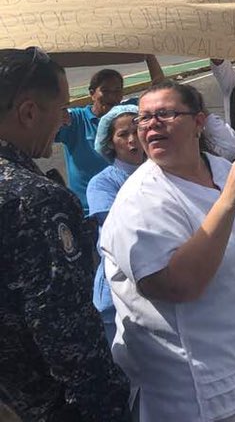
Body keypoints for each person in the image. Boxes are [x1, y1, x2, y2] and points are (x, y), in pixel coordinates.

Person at [101, 80, 235, 422]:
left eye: (166, 114)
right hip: (198, 389)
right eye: (144, 118)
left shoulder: (226, 171)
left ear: (199, 122)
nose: (152, 124)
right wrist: (227, 203)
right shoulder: (140, 201)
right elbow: (178, 285)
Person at [0, 47, 130, 422]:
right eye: (60, 111)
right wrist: (110, 405)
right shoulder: (36, 201)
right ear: (28, 112)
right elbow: (67, 333)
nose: (62, 122)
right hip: (40, 404)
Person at [56, 57, 163, 211]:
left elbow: (159, 92)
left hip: (137, 205)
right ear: (92, 94)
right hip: (88, 212)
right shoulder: (75, 121)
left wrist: (149, 56)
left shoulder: (129, 112)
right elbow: (45, 122)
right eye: (105, 91)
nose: (112, 97)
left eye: (117, 91)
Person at [87, 103, 146, 345]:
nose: (132, 140)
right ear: (109, 142)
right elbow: (119, 229)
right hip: (116, 294)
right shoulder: (102, 184)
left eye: (136, 131)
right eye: (123, 135)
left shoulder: (163, 172)